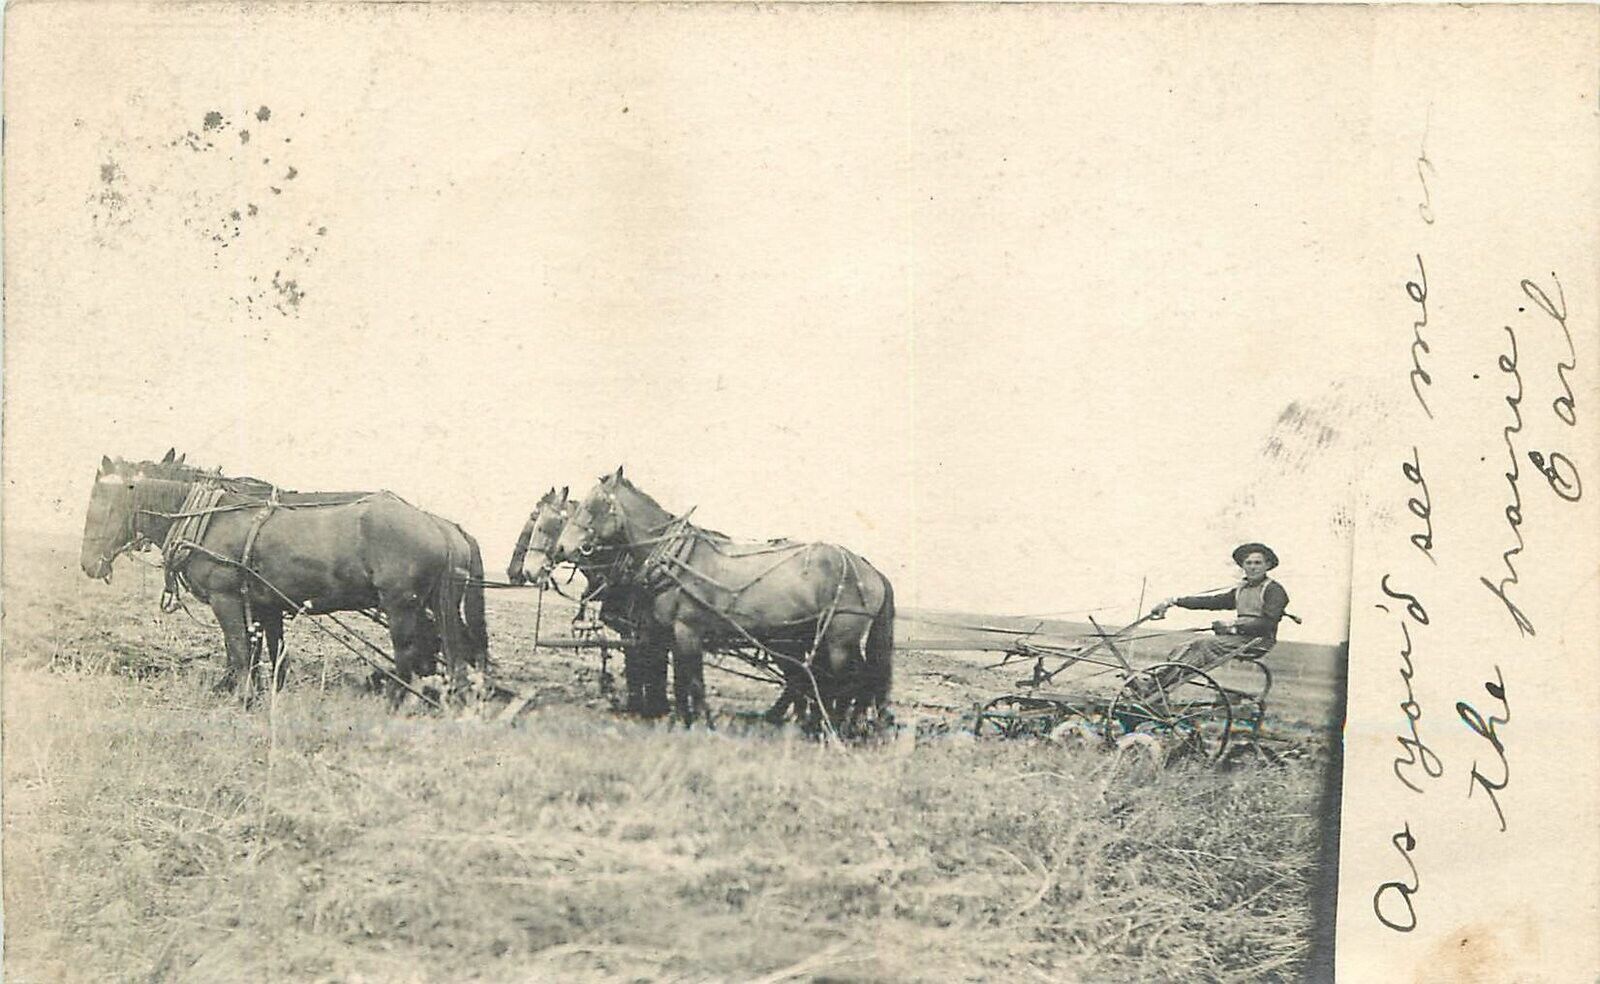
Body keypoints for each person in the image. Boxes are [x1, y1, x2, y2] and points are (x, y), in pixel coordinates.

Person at [1144, 542, 1289, 691]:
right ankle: (1157, 681)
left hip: (1258, 641)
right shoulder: (1241, 589)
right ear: (1243, 566)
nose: (1252, 567)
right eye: (1248, 563)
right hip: (1237, 638)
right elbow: (1212, 601)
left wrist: (1232, 626)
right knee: (1185, 646)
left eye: (1258, 563)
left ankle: (1155, 688)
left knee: (1203, 644)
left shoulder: (1274, 590)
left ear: (1268, 565)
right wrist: (1173, 601)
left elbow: (1269, 623)